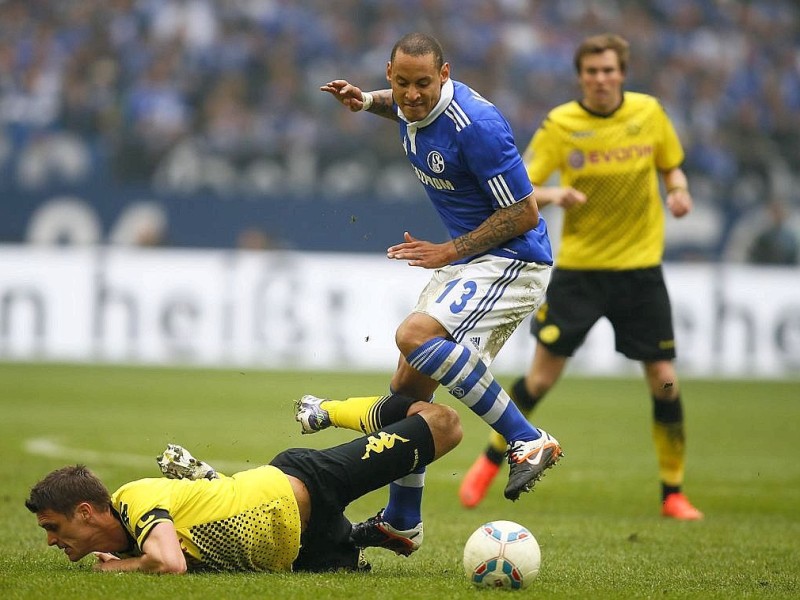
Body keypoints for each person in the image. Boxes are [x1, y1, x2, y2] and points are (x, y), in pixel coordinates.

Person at [314, 31, 562, 555]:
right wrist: (367, 102)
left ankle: (527, 439)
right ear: (389, 74)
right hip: (472, 261)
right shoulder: (406, 102)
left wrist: (450, 251)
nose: (413, 94)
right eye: (401, 83)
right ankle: (402, 521)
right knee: (407, 392)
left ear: (444, 75)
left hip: (514, 260)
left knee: (414, 335)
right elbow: (404, 109)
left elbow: (525, 213)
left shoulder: (479, 129)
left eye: (424, 83)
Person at [459, 33, 703, 520]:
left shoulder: (649, 114)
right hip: (579, 272)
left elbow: (672, 169)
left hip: (639, 273)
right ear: (580, 77)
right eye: (591, 72)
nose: (600, 79)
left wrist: (679, 192)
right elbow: (521, 187)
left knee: (665, 379)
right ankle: (490, 459)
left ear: (622, 72)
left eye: (609, 70)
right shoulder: (562, 123)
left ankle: (672, 493)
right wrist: (555, 196)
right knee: (542, 377)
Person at [25, 401, 462, 573]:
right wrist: (125, 555)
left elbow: (170, 564)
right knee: (354, 571)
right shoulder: (129, 539)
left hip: (308, 482)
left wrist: (117, 567)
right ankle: (369, 533)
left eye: (53, 527)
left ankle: (328, 411)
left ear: (85, 511)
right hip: (299, 547)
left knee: (441, 423)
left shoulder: (136, 498)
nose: (49, 540)